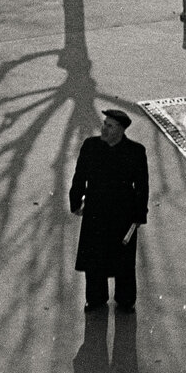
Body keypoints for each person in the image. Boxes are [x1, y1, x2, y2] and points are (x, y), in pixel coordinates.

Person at [68, 109, 149, 313]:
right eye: (104, 124)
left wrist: (139, 215)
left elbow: (141, 186)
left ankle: (125, 300)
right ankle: (95, 299)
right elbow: (79, 177)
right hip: (95, 211)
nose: (104, 128)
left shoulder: (136, 152)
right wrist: (75, 202)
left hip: (123, 214)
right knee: (94, 259)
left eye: (110, 126)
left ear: (121, 130)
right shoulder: (91, 146)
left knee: (124, 261)